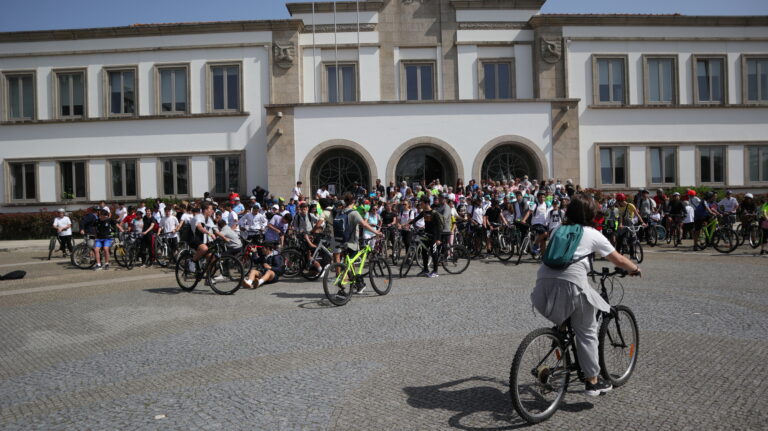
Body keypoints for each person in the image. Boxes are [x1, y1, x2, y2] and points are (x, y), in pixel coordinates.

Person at [531, 193, 641, 397]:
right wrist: (634, 268)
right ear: (590, 215)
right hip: (571, 285)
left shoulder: (558, 230)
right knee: (587, 331)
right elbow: (617, 259)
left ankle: (561, 334)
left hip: (543, 286)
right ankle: (592, 381)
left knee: (570, 309)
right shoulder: (592, 233)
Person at [410, 196, 443, 278]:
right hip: (426, 235)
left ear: (426, 203)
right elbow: (416, 219)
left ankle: (435, 271)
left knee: (434, 253)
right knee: (424, 252)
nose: (420, 204)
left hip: (434, 236)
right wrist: (407, 225)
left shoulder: (434, 213)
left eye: (421, 203)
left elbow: (439, 227)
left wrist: (438, 239)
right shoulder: (424, 212)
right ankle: (425, 269)